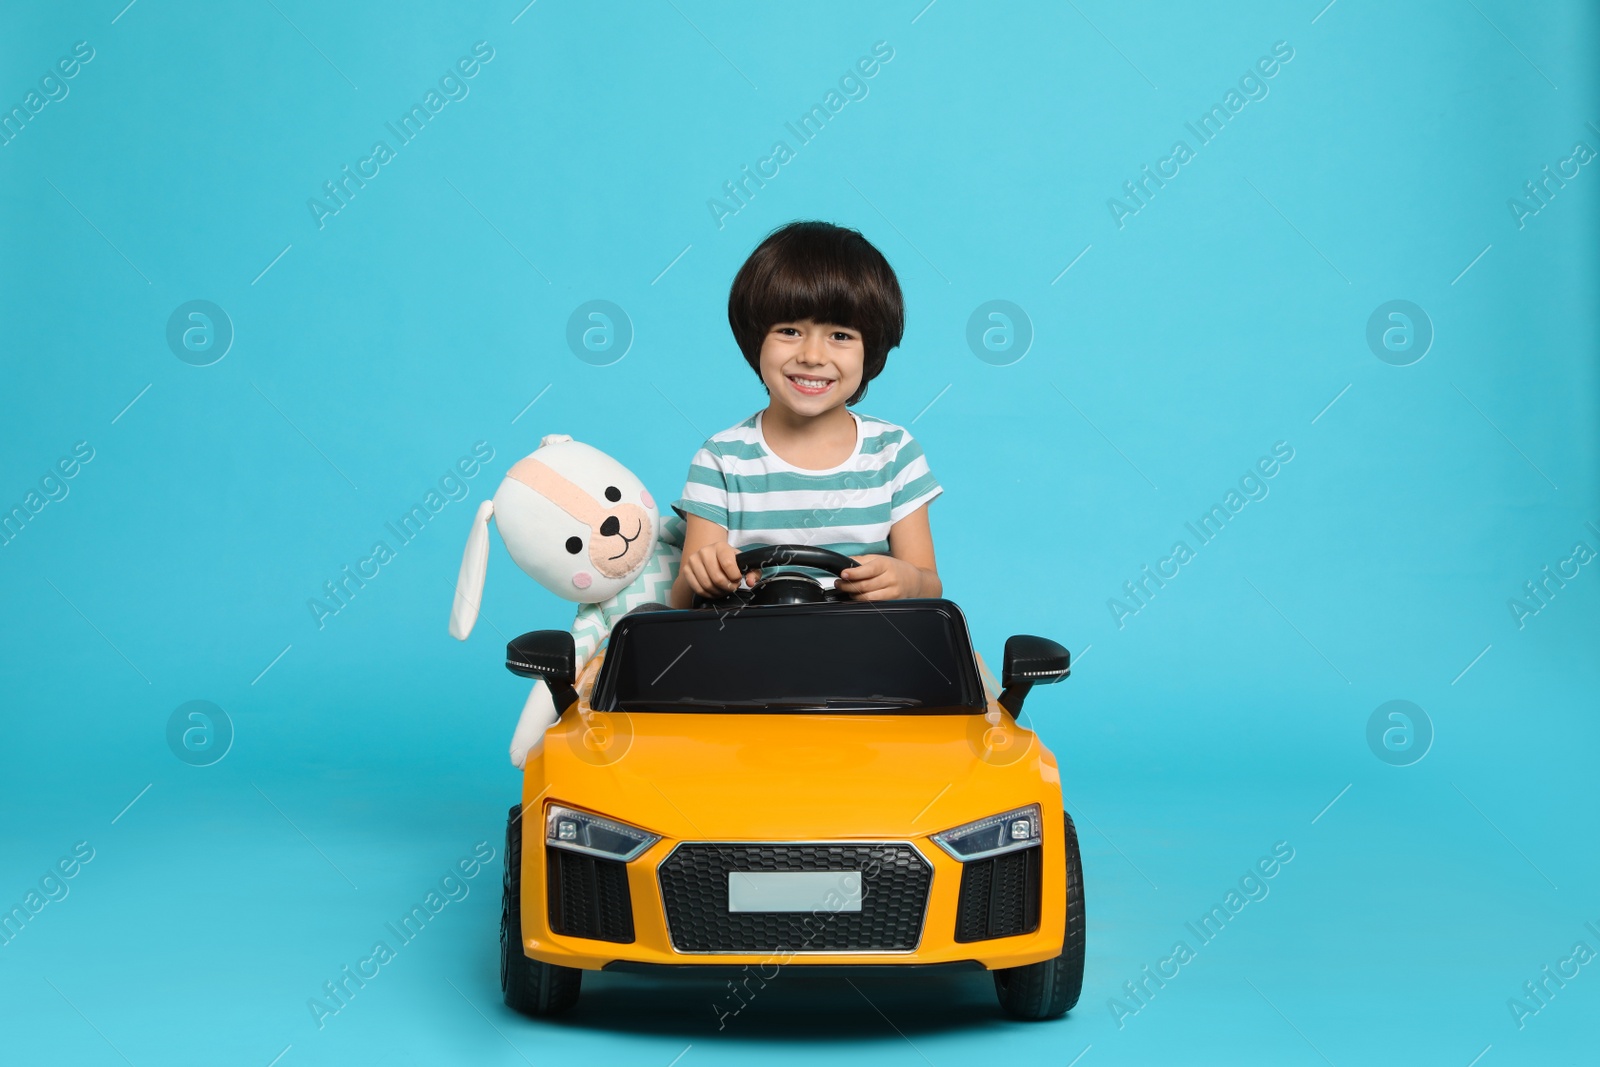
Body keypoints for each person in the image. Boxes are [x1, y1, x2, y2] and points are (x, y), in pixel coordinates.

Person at [668, 220, 942, 608]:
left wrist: (906, 580)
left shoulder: (894, 453)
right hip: (749, 652)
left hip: (866, 650)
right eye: (789, 331)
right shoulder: (723, 459)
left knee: (969, 664)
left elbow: (929, 585)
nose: (812, 356)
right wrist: (705, 573)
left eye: (841, 336)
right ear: (755, 339)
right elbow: (682, 599)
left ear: (871, 350)